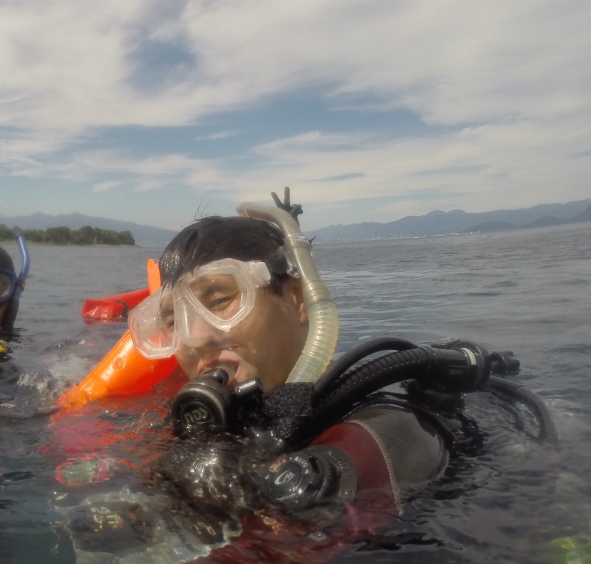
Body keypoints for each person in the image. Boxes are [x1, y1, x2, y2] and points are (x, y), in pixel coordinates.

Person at [58, 191, 554, 560]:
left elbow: (304, 529)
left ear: (296, 300)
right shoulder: (201, 424)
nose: (195, 338)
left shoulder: (383, 427)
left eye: (220, 299)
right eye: (172, 319)